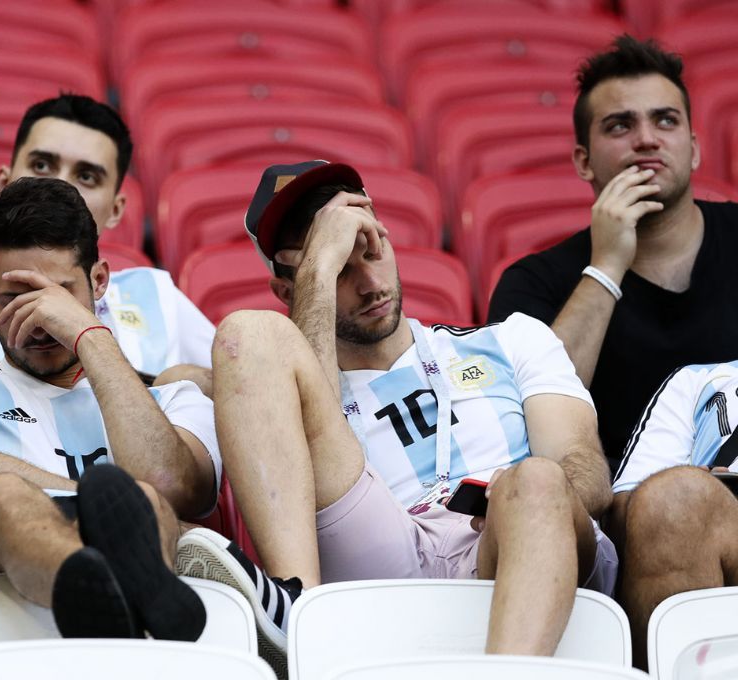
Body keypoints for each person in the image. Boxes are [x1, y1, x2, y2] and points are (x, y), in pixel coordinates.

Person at [179, 161, 617, 672]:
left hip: (516, 535)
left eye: (373, 250)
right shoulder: (281, 383)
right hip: (383, 551)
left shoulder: (513, 337)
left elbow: (585, 473)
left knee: (540, 480)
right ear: (289, 292)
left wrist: (519, 492)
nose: (369, 284)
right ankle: (300, 615)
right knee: (244, 335)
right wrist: (317, 266)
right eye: (342, 269)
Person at [0, 177, 221, 638]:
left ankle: (110, 614)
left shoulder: (171, 399)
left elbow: (169, 486)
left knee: (147, 499)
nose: (40, 318)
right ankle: (107, 606)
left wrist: (89, 336)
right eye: (14, 300)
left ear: (99, 281)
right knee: (6, 496)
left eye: (59, 295)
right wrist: (89, 500)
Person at [487, 35, 738, 472]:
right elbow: (527, 427)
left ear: (694, 149)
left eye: (665, 121)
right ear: (583, 161)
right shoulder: (532, 281)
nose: (646, 139)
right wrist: (605, 267)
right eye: (620, 126)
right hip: (627, 510)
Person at [0, 94, 215, 388]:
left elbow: (237, 388)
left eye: (87, 176)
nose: (60, 185)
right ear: (4, 183)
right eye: (41, 166)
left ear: (117, 210)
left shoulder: (157, 294)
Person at [610, 360, 738, 664]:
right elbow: (621, 516)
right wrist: (706, 492)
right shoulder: (699, 380)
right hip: (718, 546)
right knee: (677, 498)